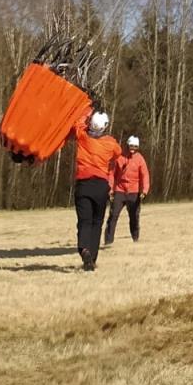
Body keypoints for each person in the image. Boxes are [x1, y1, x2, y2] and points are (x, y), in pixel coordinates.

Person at [69, 107, 121, 271]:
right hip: (101, 186)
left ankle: (84, 250)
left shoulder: (82, 136)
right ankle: (92, 257)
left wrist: (87, 109)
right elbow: (118, 153)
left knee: (84, 221)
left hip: (83, 185)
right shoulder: (111, 143)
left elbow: (76, 122)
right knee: (97, 223)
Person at [105, 134, 150, 247]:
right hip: (119, 190)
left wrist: (144, 190)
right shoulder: (119, 157)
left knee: (134, 216)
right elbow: (111, 173)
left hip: (134, 192)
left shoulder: (140, 159)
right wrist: (110, 188)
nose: (132, 149)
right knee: (113, 215)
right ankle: (108, 241)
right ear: (127, 145)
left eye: (135, 147)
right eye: (131, 146)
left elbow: (145, 175)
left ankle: (135, 238)